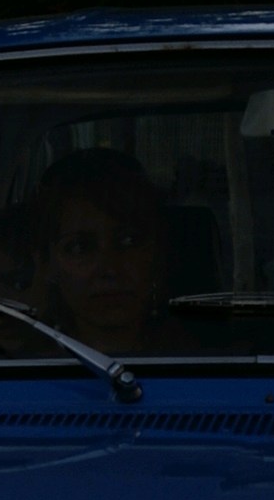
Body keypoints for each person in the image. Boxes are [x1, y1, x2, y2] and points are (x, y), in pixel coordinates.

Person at [29, 149, 197, 355]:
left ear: (157, 253)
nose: (109, 269)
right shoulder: (14, 367)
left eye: (128, 241)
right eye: (80, 248)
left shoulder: (209, 361)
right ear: (47, 264)